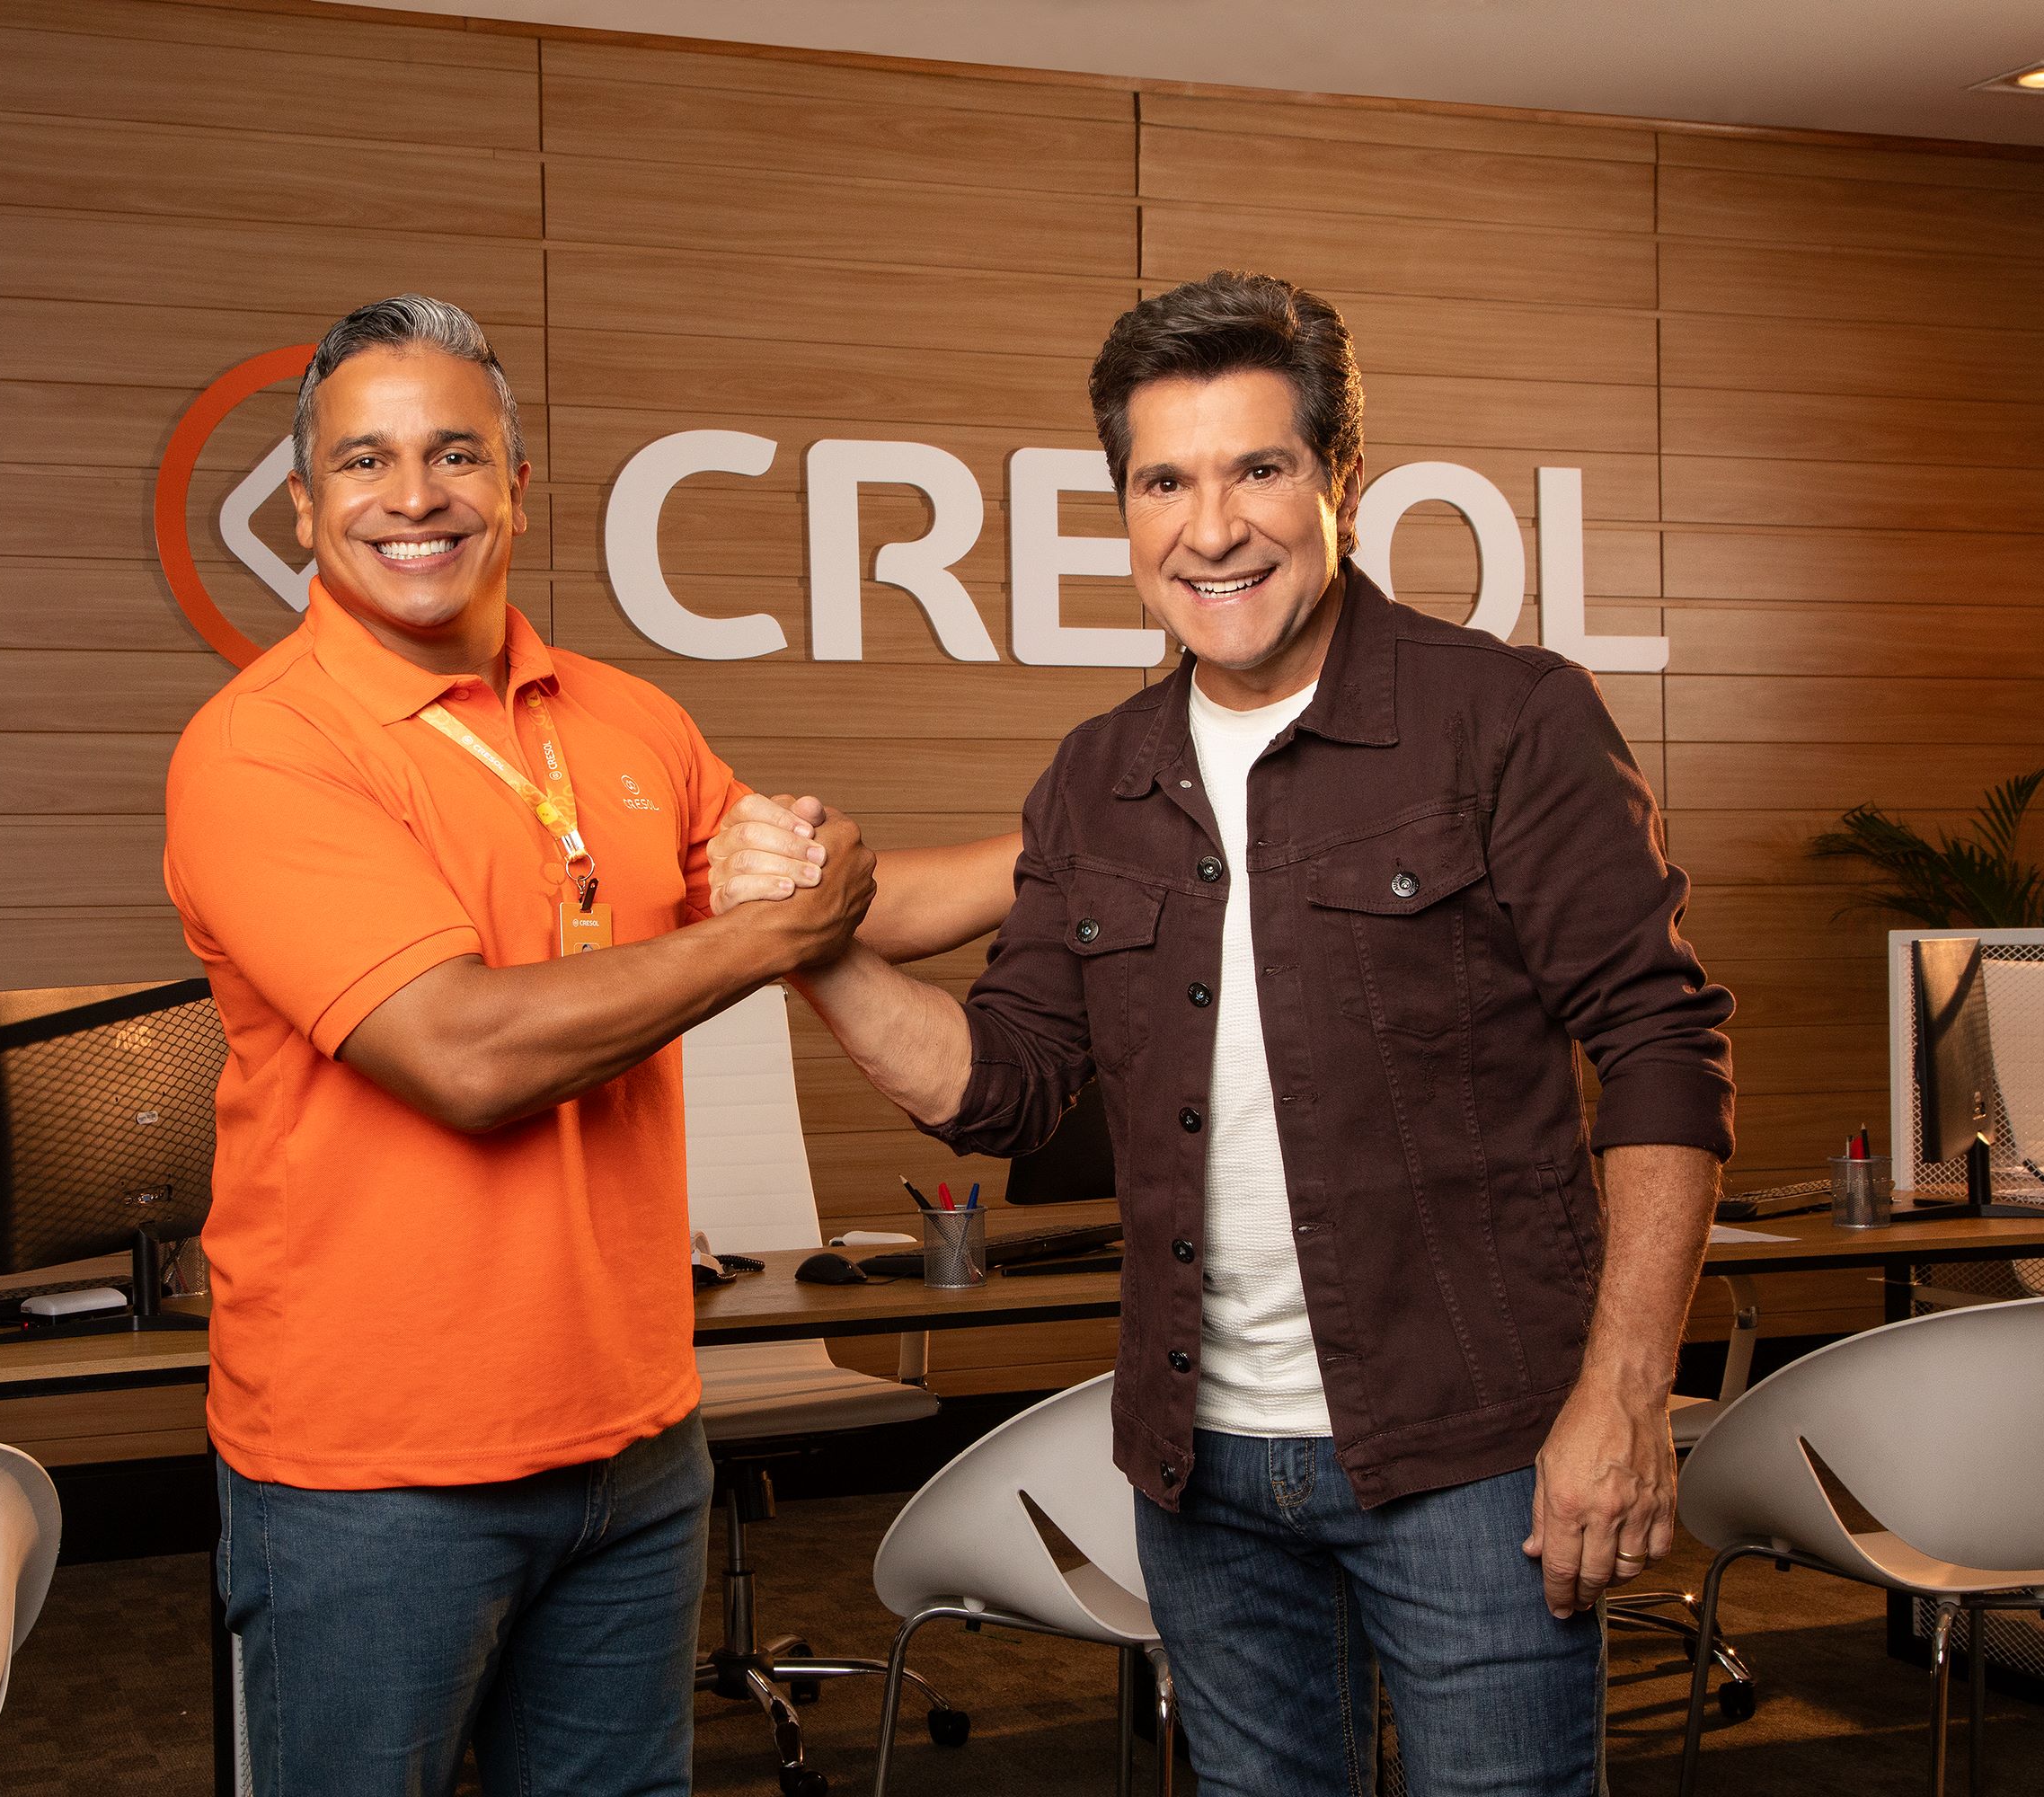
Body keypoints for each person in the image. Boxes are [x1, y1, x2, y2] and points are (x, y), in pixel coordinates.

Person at [717, 270, 1736, 1794]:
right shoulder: (1097, 778)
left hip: (1478, 1455)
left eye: (1258, 469)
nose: (1212, 528)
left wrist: (1625, 1393)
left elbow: (1662, 1045)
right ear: (1123, 510)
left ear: (1342, 483)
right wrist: (810, 952)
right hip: (1202, 1474)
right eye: (1165, 482)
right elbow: (1005, 1087)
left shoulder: (1508, 718)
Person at [162, 294, 999, 1797]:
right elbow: (463, 1054)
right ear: (300, 508)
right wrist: (769, 938)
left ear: (517, 487)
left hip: (633, 1446)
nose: (414, 496)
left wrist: (1116, 830)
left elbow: (845, 911)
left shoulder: (625, 721)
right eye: (364, 461)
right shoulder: (264, 745)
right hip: (378, 1474)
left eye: (454, 454)